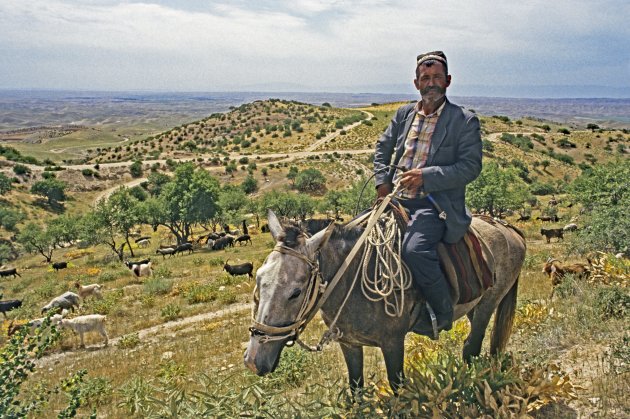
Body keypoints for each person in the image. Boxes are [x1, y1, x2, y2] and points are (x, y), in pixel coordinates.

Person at [373, 51, 482, 336]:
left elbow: (470, 168)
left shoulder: (464, 121)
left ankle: (441, 312)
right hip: (394, 198)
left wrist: (426, 177)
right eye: (425, 78)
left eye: (436, 78)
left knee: (415, 250)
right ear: (416, 82)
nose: (430, 83)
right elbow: (383, 148)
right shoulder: (404, 114)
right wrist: (382, 184)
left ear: (447, 81)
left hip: (434, 204)